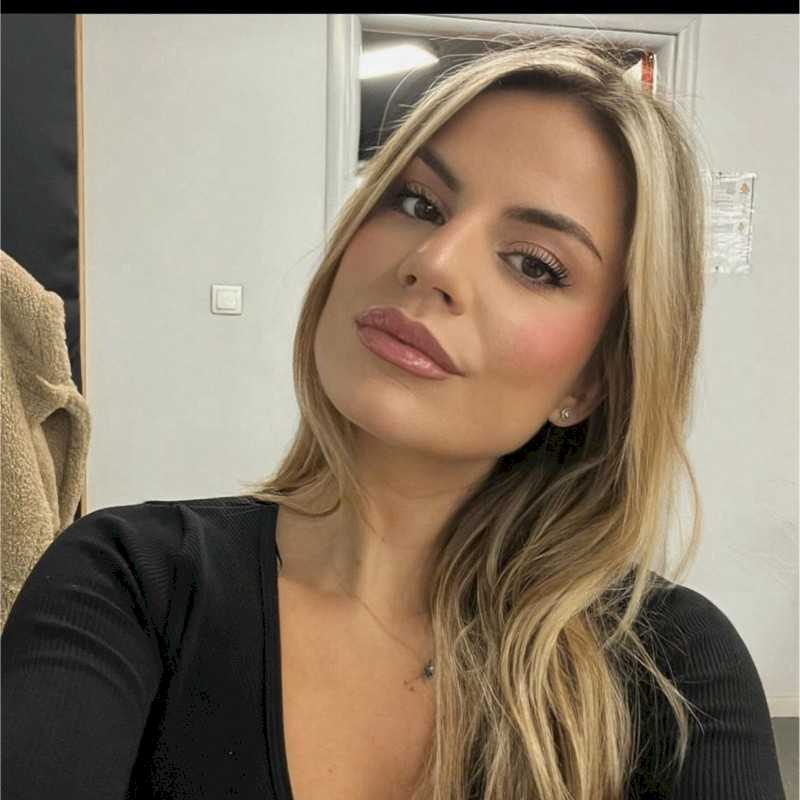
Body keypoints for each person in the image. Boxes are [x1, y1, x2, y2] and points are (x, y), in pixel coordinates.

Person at [2, 35, 786, 800]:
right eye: (419, 203)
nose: (433, 262)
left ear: (593, 380)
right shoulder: (129, 580)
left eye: (534, 264)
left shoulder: (676, 669)